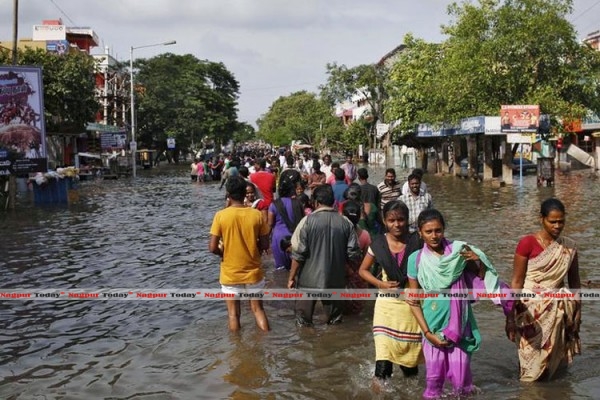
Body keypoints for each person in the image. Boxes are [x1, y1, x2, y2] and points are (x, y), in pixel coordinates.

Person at [406, 209, 510, 399]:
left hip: (460, 323)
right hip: (431, 324)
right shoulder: (416, 259)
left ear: (444, 229)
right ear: (420, 233)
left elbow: (480, 279)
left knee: (461, 382)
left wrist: (479, 262)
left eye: (438, 230)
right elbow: (413, 301)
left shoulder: (459, 252)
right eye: (428, 232)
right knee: (434, 380)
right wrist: (428, 334)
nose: (434, 236)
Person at [505, 198, 581, 382]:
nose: (557, 226)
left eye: (561, 221)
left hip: (558, 311)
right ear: (542, 219)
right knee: (529, 360)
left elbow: (575, 284)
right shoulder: (527, 243)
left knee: (553, 364)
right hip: (529, 311)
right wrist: (510, 316)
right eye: (552, 221)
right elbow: (517, 281)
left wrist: (577, 314)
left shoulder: (569, 247)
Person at [358, 200, 424, 388]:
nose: (397, 225)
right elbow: (363, 270)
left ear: (407, 219)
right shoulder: (378, 243)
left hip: (410, 307)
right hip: (386, 308)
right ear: (384, 221)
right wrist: (381, 284)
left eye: (401, 220)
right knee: (383, 363)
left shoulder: (417, 241)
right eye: (391, 220)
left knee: (409, 365)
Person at [288, 184, 361, 326]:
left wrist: (291, 277)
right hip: (335, 280)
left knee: (303, 323)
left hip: (308, 281)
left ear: (315, 202)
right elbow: (354, 254)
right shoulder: (346, 222)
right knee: (335, 323)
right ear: (333, 202)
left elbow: (298, 253)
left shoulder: (306, 222)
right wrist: (348, 273)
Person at [208, 176, 271, 332]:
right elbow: (265, 244)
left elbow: (212, 247)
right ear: (245, 193)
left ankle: (237, 350)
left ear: (228, 193)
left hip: (230, 272)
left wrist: (222, 253)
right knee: (258, 310)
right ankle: (266, 341)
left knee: (233, 315)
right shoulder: (256, 215)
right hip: (253, 270)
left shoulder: (220, 216)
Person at [341, 199, 371, 315]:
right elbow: (368, 259)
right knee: (357, 312)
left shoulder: (337, 233)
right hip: (358, 276)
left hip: (341, 276)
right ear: (359, 217)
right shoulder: (365, 235)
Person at [268, 178, 304, 271]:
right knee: (297, 268)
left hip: (279, 239)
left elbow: (270, 223)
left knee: (281, 270)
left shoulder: (274, 205)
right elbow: (303, 220)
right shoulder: (297, 202)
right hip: (295, 238)